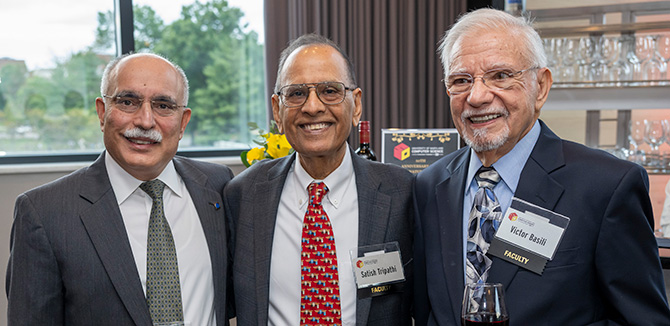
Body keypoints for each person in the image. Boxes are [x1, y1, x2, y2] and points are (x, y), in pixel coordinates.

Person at [413, 8, 670, 326]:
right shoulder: (428, 185)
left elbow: (643, 320)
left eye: (501, 76)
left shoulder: (607, 186)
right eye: (461, 80)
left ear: (541, 87)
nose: (477, 96)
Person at [6, 52, 233, 325]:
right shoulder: (44, 212)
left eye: (163, 105)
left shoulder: (217, 187)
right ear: (103, 112)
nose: (145, 121)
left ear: (183, 122)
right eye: (128, 102)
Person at [224, 34, 414, 325]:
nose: (312, 107)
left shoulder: (402, 193)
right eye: (296, 93)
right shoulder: (243, 195)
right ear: (277, 109)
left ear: (357, 104)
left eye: (330, 91)